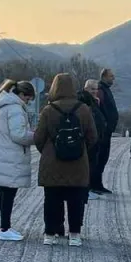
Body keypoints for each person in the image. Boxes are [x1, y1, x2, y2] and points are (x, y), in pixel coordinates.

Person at [35, 73, 99, 246]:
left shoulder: (48, 110)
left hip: (52, 162)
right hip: (77, 162)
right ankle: (75, 235)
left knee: (52, 198)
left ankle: (50, 233)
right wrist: (80, 150)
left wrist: (48, 151)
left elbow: (38, 138)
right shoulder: (84, 109)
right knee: (76, 199)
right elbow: (93, 136)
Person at [0, 80, 37, 241]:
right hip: (11, 156)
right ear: (21, 95)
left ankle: (5, 226)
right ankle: (5, 228)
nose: (27, 102)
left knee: (5, 194)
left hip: (2, 155)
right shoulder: (15, 108)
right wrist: (36, 136)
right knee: (8, 194)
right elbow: (19, 135)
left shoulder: (1, 105)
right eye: (28, 99)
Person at [78, 87, 107, 203]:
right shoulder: (87, 108)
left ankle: (87, 189)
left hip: (93, 143)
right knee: (88, 167)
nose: (96, 91)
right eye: (93, 89)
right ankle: (85, 190)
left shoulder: (92, 105)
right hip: (90, 144)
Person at [92, 69, 118, 195]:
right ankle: (94, 184)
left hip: (107, 131)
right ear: (104, 76)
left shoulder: (106, 89)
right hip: (102, 131)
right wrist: (105, 124)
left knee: (103, 158)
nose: (113, 79)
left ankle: (98, 184)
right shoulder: (100, 90)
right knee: (99, 157)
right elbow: (100, 109)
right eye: (111, 77)